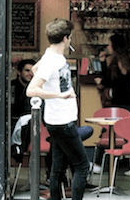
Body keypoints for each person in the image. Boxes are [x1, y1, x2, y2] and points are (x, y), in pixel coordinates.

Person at [26, 18, 89, 200]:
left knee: (58, 169)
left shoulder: (51, 56)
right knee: (82, 166)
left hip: (59, 121)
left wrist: (51, 88)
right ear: (66, 39)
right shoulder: (52, 61)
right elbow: (31, 90)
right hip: (62, 123)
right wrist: (58, 95)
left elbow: (35, 69)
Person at [93, 33, 130, 176]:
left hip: (116, 106)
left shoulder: (114, 62)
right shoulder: (129, 60)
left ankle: (98, 164)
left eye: (109, 44)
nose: (108, 47)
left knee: (107, 132)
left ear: (115, 46)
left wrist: (102, 65)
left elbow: (108, 82)